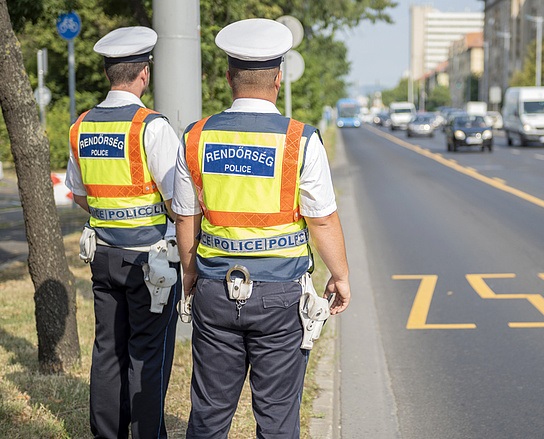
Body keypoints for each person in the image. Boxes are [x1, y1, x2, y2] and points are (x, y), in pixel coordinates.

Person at [172, 18, 351, 438]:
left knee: (209, 414)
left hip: (215, 289)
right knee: (276, 418)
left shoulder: (195, 137)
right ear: (279, 77)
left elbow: (185, 217)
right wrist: (339, 276)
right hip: (280, 298)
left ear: (230, 77)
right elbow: (321, 218)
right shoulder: (300, 140)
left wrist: (190, 273)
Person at [64, 26, 181, 438]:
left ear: (110, 73)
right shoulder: (151, 127)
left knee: (108, 351)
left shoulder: (82, 127)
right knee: (147, 355)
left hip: (103, 256)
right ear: (143, 74)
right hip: (152, 263)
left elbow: (80, 195)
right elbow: (176, 201)